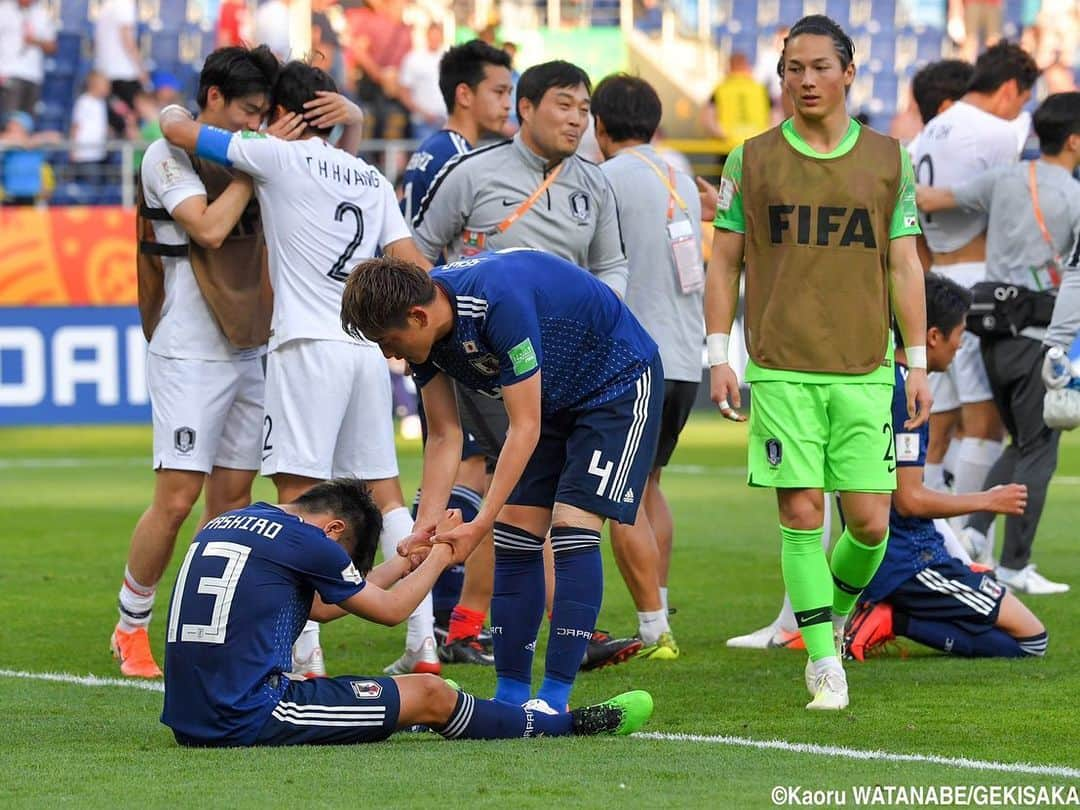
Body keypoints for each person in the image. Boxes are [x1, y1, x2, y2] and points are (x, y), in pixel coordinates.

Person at [159, 60, 437, 679]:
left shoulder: (273, 154)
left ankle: (302, 656)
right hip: (366, 351)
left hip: (305, 349)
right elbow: (414, 263)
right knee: (388, 497)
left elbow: (179, 132)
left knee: (298, 501)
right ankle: (424, 647)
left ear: (284, 114)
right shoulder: (367, 174)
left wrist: (171, 113)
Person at [705, 15, 931, 711]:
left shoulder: (889, 159)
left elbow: (903, 265)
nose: (805, 80)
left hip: (865, 368)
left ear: (847, 73)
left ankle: (821, 618)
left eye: (818, 67)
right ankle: (824, 663)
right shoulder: (751, 159)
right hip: (780, 368)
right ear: (781, 76)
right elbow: (725, 260)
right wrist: (720, 353)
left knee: (869, 525)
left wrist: (916, 361)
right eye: (792, 68)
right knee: (802, 514)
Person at [340, 249, 664, 714]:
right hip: (552, 397)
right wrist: (425, 526)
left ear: (416, 316)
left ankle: (553, 698)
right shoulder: (423, 324)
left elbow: (524, 426)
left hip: (615, 384)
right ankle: (512, 695)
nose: (388, 354)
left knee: (572, 529)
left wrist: (478, 524)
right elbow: (445, 436)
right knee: (515, 536)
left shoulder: (497, 303)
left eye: (387, 341)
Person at [410, 59, 647, 670]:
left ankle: (497, 622)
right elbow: (420, 251)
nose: (577, 119)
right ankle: (486, 621)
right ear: (526, 106)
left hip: (569, 362)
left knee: (531, 498)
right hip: (488, 353)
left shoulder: (594, 183)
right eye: (564, 104)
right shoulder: (471, 173)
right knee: (508, 489)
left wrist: (603, 310)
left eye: (584, 109)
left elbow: (612, 263)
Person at [161, 478, 654, 747]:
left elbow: (325, 606)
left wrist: (404, 559)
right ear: (332, 531)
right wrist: (444, 552)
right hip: (246, 714)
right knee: (432, 693)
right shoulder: (310, 542)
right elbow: (394, 611)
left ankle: (402, 713)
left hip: (193, 711)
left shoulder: (238, 521)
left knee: (416, 695)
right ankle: (565, 727)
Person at [110, 45, 281, 678]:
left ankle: (208, 627)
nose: (254, 125)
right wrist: (250, 170)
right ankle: (131, 625)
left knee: (232, 503)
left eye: (264, 115)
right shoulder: (168, 155)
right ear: (213, 100)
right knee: (178, 498)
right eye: (247, 111)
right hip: (187, 348)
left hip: (251, 343)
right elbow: (207, 229)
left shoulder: (245, 145)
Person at [916, 92, 1080, 594]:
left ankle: (975, 530)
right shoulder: (1073, 197)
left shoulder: (1005, 177)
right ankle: (1011, 562)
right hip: (1040, 334)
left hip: (990, 333)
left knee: (1024, 442)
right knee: (1042, 451)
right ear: (1073, 140)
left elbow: (931, 199)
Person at [845, 273, 1048, 661]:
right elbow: (909, 501)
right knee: (1032, 641)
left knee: (997, 617)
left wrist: (959, 558)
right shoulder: (905, 396)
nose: (961, 346)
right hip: (909, 563)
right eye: (960, 334)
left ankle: (898, 612)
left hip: (905, 553)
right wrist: (988, 501)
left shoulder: (882, 380)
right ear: (934, 336)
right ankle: (893, 620)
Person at [400, 38, 513, 666]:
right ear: (464, 94)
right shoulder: (453, 156)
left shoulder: (439, 153)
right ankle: (459, 616)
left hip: (447, 331)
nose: (509, 103)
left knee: (475, 466)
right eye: (500, 91)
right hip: (455, 333)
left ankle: (451, 613)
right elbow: (422, 249)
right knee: (491, 470)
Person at [593, 72, 700, 659]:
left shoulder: (604, 179)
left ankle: (655, 628)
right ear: (655, 125)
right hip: (684, 358)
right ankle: (658, 604)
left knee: (618, 496)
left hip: (635, 354)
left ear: (598, 126)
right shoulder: (679, 177)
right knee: (650, 485)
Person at [910, 43, 1039, 524]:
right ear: (1009, 89)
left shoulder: (920, 138)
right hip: (978, 284)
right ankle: (961, 541)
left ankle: (927, 537)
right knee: (984, 425)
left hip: (933, 280)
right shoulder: (999, 131)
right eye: (1023, 99)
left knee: (937, 424)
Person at [700, 52, 771, 157]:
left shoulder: (721, 89)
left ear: (729, 67)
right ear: (747, 66)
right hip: (757, 148)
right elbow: (775, 118)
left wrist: (723, 135)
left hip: (729, 149)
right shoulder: (760, 89)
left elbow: (707, 120)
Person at [0, 0, 56, 118]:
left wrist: (36, 41)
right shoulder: (4, 10)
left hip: (33, 76)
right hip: (8, 73)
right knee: (9, 122)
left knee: (27, 122)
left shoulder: (42, 13)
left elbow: (52, 47)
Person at [397, 22, 447, 143]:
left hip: (446, 121)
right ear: (427, 36)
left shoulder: (448, 57)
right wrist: (423, 113)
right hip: (422, 122)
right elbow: (404, 92)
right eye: (432, 35)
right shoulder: (413, 59)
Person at [93, 0, 146, 109]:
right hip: (125, 73)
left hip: (107, 73)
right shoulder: (124, 4)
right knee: (128, 120)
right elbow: (127, 40)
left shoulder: (107, 5)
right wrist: (141, 69)